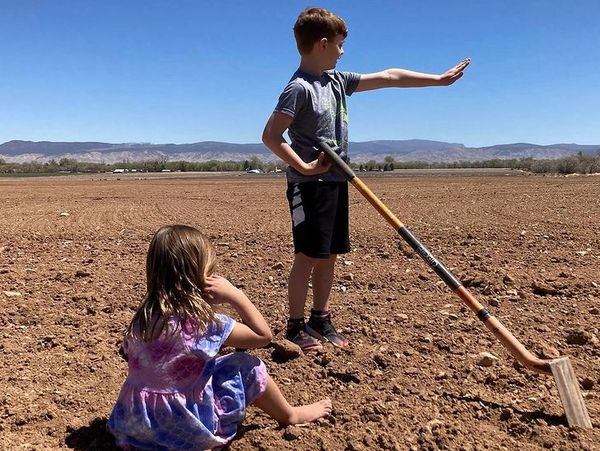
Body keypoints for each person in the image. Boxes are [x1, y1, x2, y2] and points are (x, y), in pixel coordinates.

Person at [262, 7, 470, 352]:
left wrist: (437, 80)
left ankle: (320, 319)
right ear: (324, 44)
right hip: (309, 186)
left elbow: (389, 76)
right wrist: (306, 167)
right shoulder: (298, 89)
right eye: (341, 45)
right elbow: (271, 136)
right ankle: (295, 326)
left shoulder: (337, 81)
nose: (344, 52)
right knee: (308, 256)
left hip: (336, 182)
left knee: (329, 255)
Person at [107, 225, 332, 450]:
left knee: (200, 370)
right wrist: (236, 295)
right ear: (198, 277)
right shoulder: (203, 324)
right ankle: (291, 415)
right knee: (247, 365)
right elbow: (263, 336)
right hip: (186, 430)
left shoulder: (142, 319)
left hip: (134, 427)